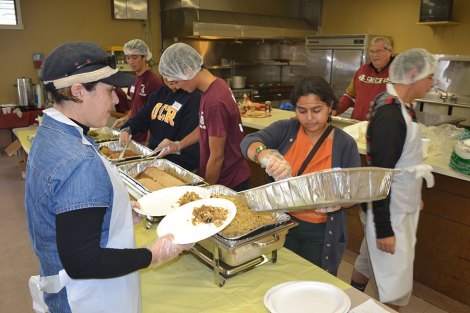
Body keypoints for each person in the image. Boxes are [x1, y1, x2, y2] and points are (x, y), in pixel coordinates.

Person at [25, 41, 190, 313]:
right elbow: (83, 262)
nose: (116, 100)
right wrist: (153, 254)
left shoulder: (53, 134)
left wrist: (120, 213)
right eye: (110, 91)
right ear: (78, 91)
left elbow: (65, 212)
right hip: (88, 299)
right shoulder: (79, 161)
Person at [240, 76, 360, 275]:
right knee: (277, 277)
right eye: (302, 111)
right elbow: (249, 141)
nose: (309, 118)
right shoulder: (286, 129)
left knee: (312, 281)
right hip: (282, 224)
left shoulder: (344, 144)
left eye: (317, 110)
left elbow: (354, 194)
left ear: (330, 107)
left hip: (320, 232)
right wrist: (265, 155)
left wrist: (340, 200)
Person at [350, 49, 436, 311]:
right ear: (412, 75)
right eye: (430, 77)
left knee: (367, 261)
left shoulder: (403, 106)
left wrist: (414, 193)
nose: (432, 83)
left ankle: (352, 301)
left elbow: (402, 163)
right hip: (387, 212)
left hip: (398, 202)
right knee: (393, 284)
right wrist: (385, 230)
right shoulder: (391, 116)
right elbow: (380, 178)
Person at [156, 43, 251, 191]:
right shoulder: (214, 86)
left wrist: (205, 191)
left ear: (188, 70)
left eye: (176, 81)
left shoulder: (215, 101)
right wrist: (178, 145)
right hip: (226, 177)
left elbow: (217, 157)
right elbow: (205, 128)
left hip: (228, 182)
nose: (177, 87)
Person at [119, 78, 201, 171]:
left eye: (173, 77)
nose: (169, 80)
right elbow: (142, 117)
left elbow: (190, 145)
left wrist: (159, 163)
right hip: (155, 159)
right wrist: (127, 129)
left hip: (178, 166)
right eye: (166, 76)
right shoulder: (160, 93)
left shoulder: (194, 97)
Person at [112, 39, 163, 142]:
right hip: (133, 133)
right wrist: (126, 118)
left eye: (135, 57)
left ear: (144, 57)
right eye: (128, 58)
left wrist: (149, 141)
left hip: (145, 136)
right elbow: (136, 106)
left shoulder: (153, 81)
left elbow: (156, 113)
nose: (131, 61)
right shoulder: (133, 79)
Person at [335, 36, 393, 121]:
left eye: (378, 51)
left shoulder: (398, 73)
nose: (374, 55)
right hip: (356, 126)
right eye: (372, 52)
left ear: (389, 52)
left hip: (380, 127)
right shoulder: (363, 70)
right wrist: (334, 110)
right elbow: (349, 96)